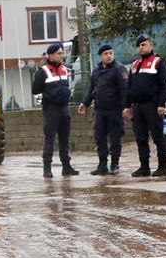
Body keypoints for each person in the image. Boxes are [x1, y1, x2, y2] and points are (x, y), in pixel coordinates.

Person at [124, 33, 166, 177]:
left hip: (152, 106)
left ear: (151, 45)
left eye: (143, 44)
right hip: (137, 107)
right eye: (138, 45)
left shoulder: (158, 62)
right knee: (141, 138)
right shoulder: (134, 64)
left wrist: (161, 104)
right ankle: (144, 167)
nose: (141, 48)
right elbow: (129, 87)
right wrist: (126, 106)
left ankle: (162, 167)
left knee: (158, 137)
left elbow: (164, 85)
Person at [78, 43, 128, 175]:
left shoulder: (119, 69)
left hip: (115, 109)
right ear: (100, 56)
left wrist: (125, 107)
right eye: (106, 54)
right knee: (100, 137)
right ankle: (102, 165)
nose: (109, 56)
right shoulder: (96, 71)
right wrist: (85, 103)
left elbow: (124, 90)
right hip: (101, 110)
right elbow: (92, 89)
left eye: (111, 53)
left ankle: (115, 164)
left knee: (115, 138)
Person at [31, 43, 79, 178]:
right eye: (59, 53)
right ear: (51, 55)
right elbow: (35, 90)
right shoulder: (43, 71)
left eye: (62, 53)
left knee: (65, 139)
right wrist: (48, 96)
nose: (62, 55)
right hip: (51, 109)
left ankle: (66, 167)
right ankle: (47, 167)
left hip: (64, 108)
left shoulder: (64, 69)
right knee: (50, 139)